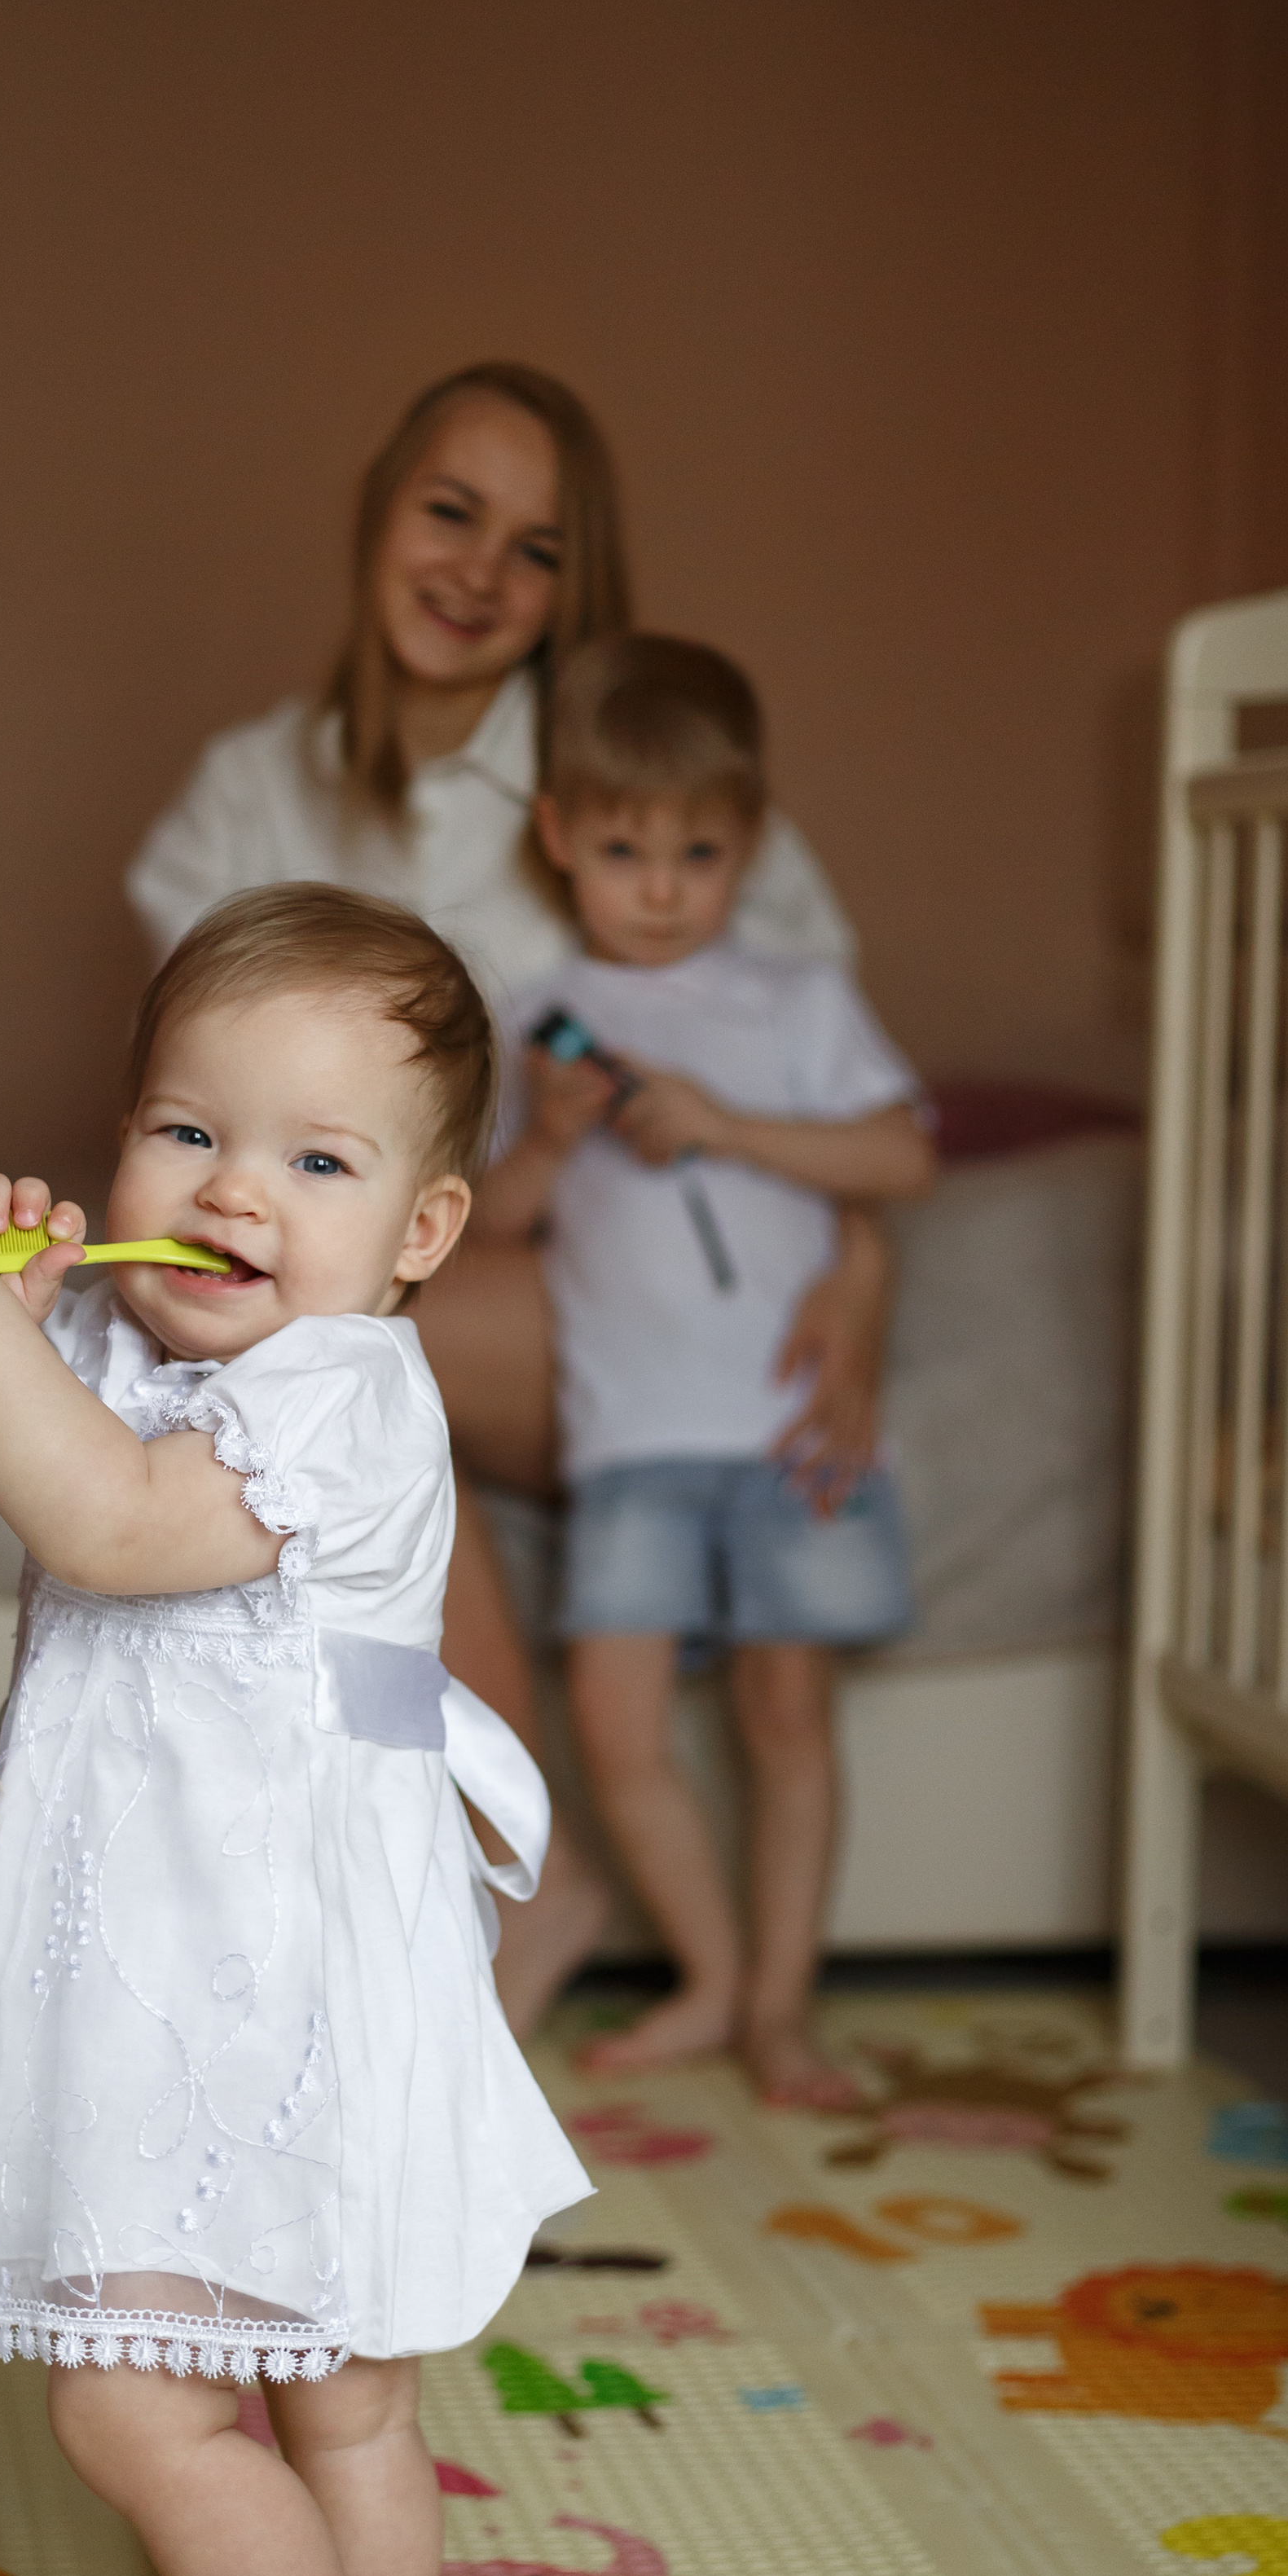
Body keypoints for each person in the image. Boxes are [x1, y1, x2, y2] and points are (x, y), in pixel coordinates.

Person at [0, 886, 591, 2576]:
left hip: (276, 1974)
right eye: (186, 1131)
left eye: (315, 1162)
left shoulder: (345, 1392)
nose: (232, 1191)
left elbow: (121, 1529)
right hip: (176, 1957)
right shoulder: (116, 1336)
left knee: (133, 2408)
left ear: (418, 1235)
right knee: (336, 2398)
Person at [129, 362, 892, 2030]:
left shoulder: (635, 779)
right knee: (345, 1347)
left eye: (534, 549)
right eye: (449, 513)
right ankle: (505, 1863)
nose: (478, 572)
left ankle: (511, 1866)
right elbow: (204, 1096)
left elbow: (816, 1054)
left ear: (574, 584)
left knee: (343, 1351)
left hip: (645, 1295)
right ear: (377, 515)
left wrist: (863, 1284)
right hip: (441, 1268)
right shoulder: (251, 792)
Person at [476, 635, 935, 2104]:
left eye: (699, 854)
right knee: (615, 1728)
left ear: (752, 840)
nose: (662, 890)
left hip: (783, 1427)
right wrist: (554, 1140)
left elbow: (903, 1155)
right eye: (624, 851)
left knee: (787, 1715)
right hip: (628, 1437)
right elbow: (483, 1227)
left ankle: (782, 2009)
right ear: (561, 836)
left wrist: (724, 1124)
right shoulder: (541, 1024)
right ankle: (716, 1976)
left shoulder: (797, 1003)